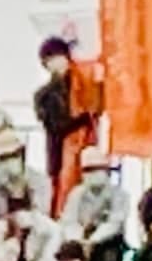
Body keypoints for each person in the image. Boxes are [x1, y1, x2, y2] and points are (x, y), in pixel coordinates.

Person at [34, 36, 103, 210]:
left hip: (86, 151)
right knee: (62, 200)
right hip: (60, 154)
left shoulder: (83, 83)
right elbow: (57, 126)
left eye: (58, 57)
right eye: (50, 60)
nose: (56, 63)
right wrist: (83, 119)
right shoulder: (44, 95)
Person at [58, 147, 131, 261]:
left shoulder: (120, 195)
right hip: (80, 240)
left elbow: (114, 223)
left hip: (107, 241)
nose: (94, 174)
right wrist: (80, 241)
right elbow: (68, 221)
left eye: (98, 169)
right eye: (89, 170)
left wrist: (92, 241)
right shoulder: (76, 194)